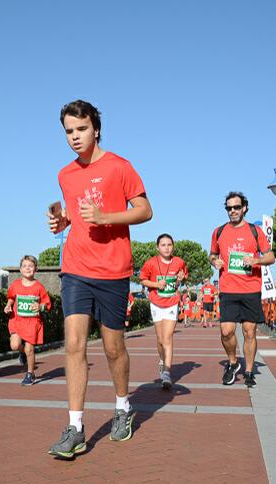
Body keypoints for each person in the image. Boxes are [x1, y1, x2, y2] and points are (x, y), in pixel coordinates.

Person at [47, 100, 152, 459]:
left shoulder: (119, 167)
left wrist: (107, 216)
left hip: (113, 270)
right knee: (74, 344)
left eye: (81, 129)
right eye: (69, 132)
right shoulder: (65, 174)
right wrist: (63, 223)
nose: (75, 137)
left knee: (112, 348)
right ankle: (75, 427)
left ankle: (123, 407)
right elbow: (78, 216)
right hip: (75, 267)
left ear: (96, 129)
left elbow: (145, 210)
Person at [210, 191, 275, 388]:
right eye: (229, 208)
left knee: (249, 331)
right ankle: (232, 363)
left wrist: (256, 260)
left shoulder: (255, 231)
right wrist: (215, 261)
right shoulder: (219, 231)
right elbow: (211, 255)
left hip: (250, 289)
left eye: (236, 207)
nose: (233, 211)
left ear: (244, 208)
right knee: (226, 331)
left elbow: (270, 257)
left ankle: (248, 371)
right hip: (228, 288)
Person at [139, 233, 188, 389]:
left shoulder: (179, 262)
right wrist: (155, 284)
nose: (167, 248)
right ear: (157, 247)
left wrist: (182, 278)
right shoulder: (151, 263)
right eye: (163, 245)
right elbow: (142, 280)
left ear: (173, 246)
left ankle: (166, 374)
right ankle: (162, 359)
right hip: (156, 303)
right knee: (160, 340)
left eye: (169, 245)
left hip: (172, 302)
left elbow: (184, 276)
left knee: (167, 338)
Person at [5, 255, 51, 386]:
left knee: (30, 349)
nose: (27, 268)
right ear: (20, 269)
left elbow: (47, 304)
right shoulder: (15, 285)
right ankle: (22, 353)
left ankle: (30, 374)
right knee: (14, 345)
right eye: (25, 266)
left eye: (30, 266)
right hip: (17, 321)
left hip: (32, 323)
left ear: (35, 269)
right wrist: (8, 305)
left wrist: (40, 306)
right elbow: (11, 297)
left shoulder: (39, 287)